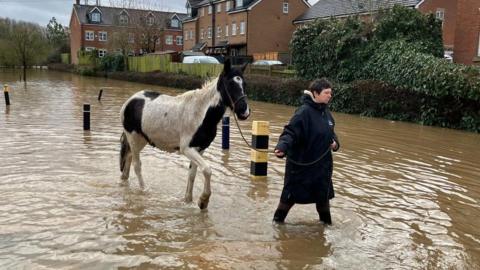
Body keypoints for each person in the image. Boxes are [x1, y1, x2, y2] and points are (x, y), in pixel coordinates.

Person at [273, 78, 340, 225]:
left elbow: (331, 133)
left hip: (322, 169)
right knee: (288, 200)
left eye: (330, 93)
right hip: (302, 167)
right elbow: (290, 132)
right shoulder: (303, 112)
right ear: (315, 93)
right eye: (326, 92)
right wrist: (282, 147)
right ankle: (277, 226)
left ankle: (326, 229)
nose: (330, 95)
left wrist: (335, 144)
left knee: (323, 201)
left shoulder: (326, 113)